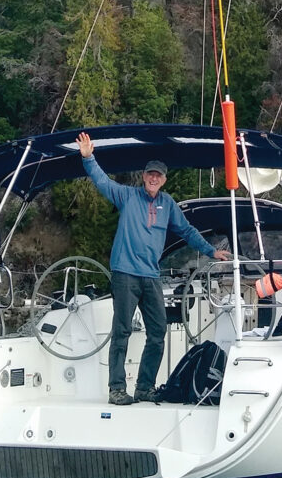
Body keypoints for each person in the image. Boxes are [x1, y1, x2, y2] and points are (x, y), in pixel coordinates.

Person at [77, 132, 231, 405]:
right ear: (143, 176)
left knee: (158, 331)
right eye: (150, 174)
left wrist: (211, 251)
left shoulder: (168, 204)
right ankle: (116, 389)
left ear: (163, 179)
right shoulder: (126, 196)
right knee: (122, 331)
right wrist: (89, 158)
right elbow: (102, 181)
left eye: (158, 175)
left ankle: (144, 387)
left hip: (150, 277)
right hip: (124, 274)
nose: (153, 178)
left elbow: (187, 230)